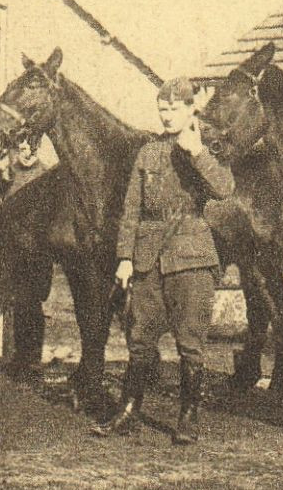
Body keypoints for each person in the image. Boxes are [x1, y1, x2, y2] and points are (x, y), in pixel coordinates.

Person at [100, 76, 235, 444]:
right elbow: (131, 209)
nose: (167, 116)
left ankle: (188, 416)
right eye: (162, 109)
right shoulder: (148, 152)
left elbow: (225, 189)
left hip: (190, 257)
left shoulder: (205, 145)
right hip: (147, 258)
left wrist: (197, 152)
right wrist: (125, 257)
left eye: (174, 109)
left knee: (190, 342)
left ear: (191, 108)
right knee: (139, 339)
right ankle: (129, 410)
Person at [0, 133, 54, 378]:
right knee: (15, 301)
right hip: (12, 249)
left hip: (37, 250)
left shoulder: (47, 175)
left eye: (31, 149)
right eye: (22, 148)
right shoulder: (8, 174)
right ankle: (19, 356)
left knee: (31, 303)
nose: (26, 153)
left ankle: (31, 357)